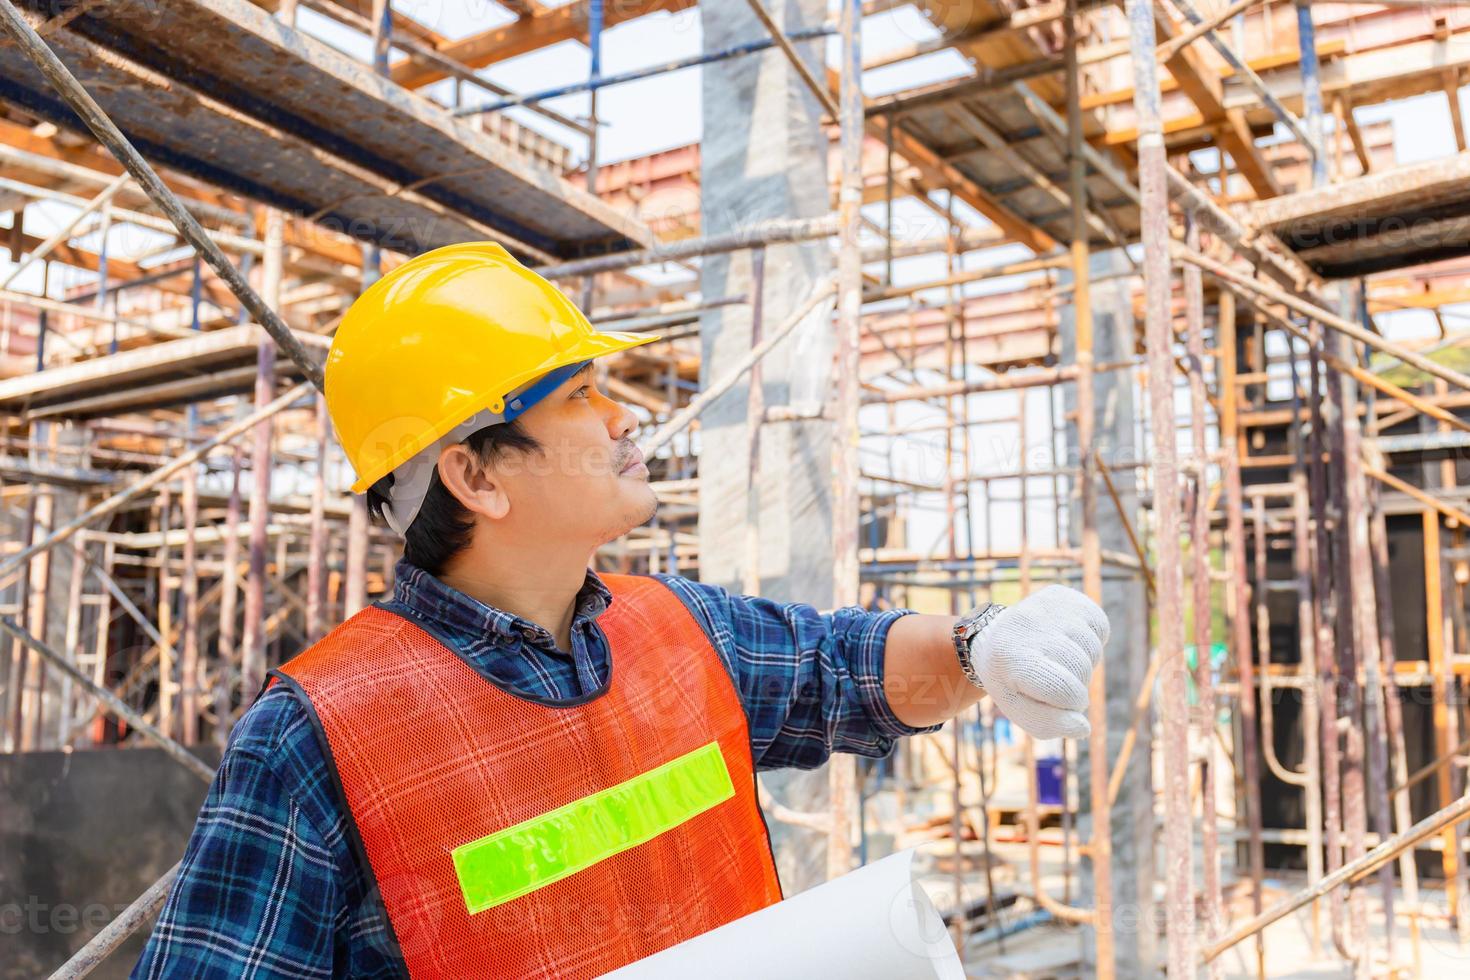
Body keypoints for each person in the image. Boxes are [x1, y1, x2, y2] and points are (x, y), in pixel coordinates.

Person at [133, 242, 1108, 979]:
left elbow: (834, 666)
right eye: (582, 392)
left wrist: (982, 645)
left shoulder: (679, 630)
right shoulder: (313, 739)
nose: (626, 416)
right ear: (474, 473)